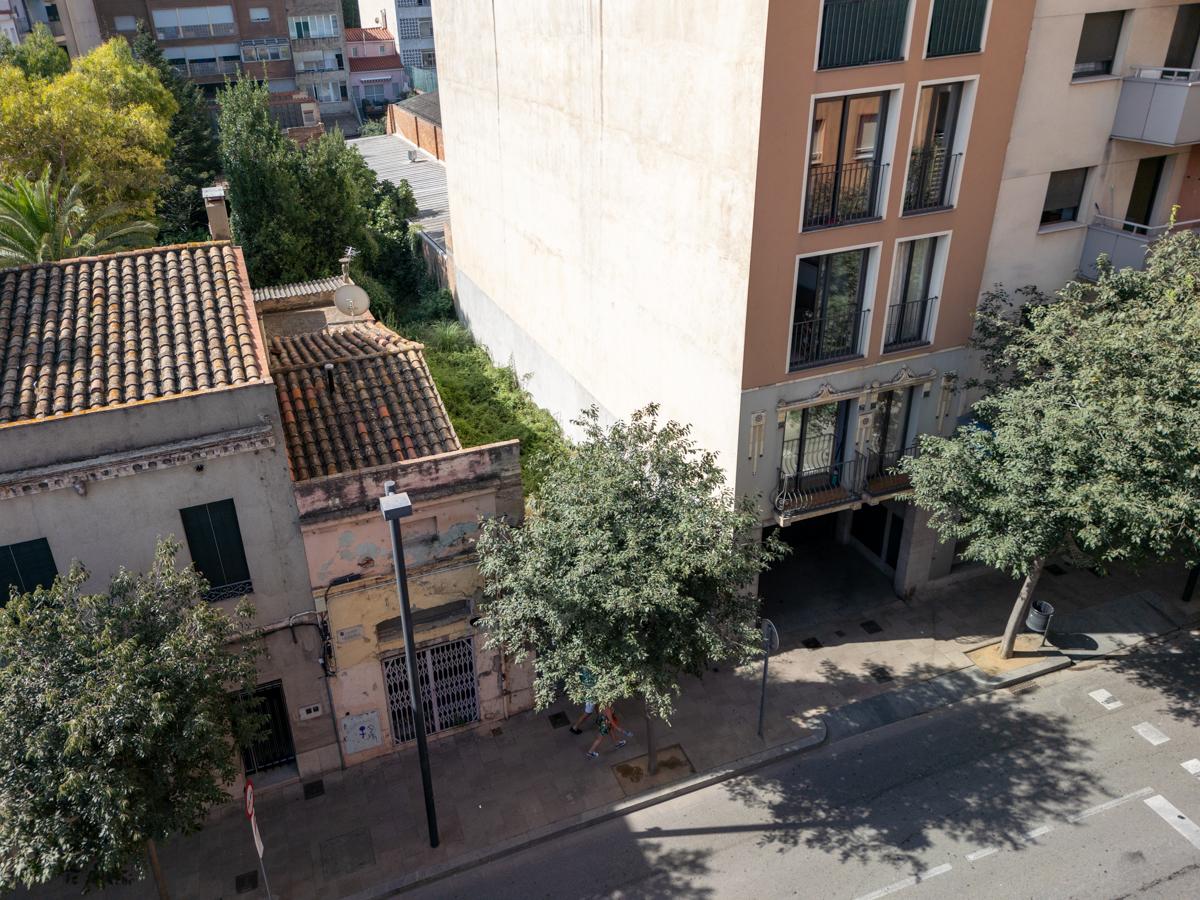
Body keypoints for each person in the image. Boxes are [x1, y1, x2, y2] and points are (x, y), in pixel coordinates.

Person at [569, 668, 598, 734]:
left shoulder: (582, 671)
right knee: (588, 712)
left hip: (588, 692)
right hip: (591, 695)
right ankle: (575, 727)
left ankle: (599, 718)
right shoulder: (588, 674)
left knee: (597, 704)